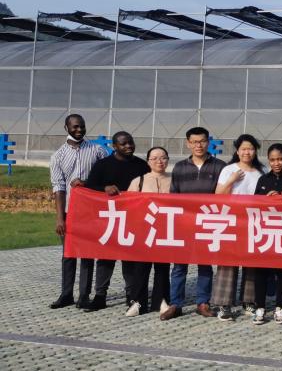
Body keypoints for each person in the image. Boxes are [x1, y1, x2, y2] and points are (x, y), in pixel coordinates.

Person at [163, 127, 227, 320]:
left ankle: (203, 303)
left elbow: (225, 195)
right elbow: (174, 196)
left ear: (208, 142)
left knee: (205, 265)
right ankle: (176, 304)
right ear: (188, 143)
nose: (199, 145)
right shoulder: (180, 167)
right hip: (184, 223)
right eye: (194, 142)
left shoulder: (220, 166)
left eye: (202, 141)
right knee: (179, 266)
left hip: (208, 223)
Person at [83, 131, 150, 313]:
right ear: (114, 146)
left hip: (133, 218)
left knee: (130, 258)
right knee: (105, 258)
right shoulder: (103, 165)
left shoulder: (141, 165)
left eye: (131, 142)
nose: (128, 146)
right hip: (109, 218)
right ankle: (100, 296)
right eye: (123, 143)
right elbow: (90, 187)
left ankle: (131, 295)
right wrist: (104, 188)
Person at [48, 114, 107, 310]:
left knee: (87, 254)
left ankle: (84, 295)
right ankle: (66, 294)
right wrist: (60, 218)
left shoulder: (97, 151)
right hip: (69, 212)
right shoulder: (58, 156)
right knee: (68, 254)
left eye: (82, 126)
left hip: (91, 212)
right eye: (75, 127)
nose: (79, 130)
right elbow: (58, 187)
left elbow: (106, 177)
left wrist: (87, 183)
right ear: (66, 128)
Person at [211, 134, 267, 321]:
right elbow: (218, 195)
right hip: (231, 220)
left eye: (250, 148)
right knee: (228, 262)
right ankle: (224, 304)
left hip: (253, 222)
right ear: (237, 151)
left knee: (252, 263)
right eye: (243, 149)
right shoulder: (229, 169)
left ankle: (249, 301)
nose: (247, 152)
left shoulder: (261, 171)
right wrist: (231, 180)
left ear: (255, 151)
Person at [251, 143, 282, 325]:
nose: (276, 163)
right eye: (272, 160)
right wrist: (265, 199)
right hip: (265, 231)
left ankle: (280, 307)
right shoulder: (263, 180)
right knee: (260, 271)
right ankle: (260, 307)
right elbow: (253, 204)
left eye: (280, 159)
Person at [125, 147, 172, 317]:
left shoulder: (174, 181)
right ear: (148, 162)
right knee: (141, 267)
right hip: (143, 230)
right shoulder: (139, 181)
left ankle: (161, 300)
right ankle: (138, 301)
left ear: (168, 160)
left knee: (163, 267)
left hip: (166, 231)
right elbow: (128, 205)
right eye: (154, 158)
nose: (159, 161)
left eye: (163, 158)